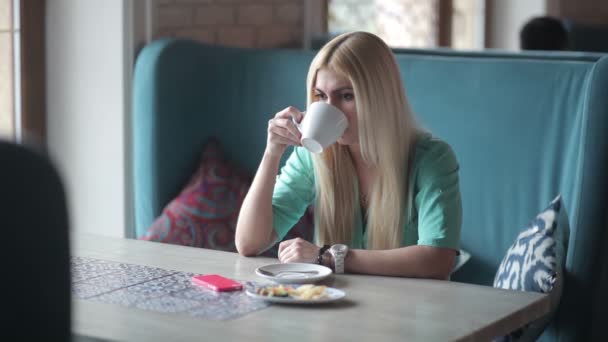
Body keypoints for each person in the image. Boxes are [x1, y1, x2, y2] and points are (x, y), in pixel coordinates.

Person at [235, 31, 462, 280]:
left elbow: (438, 260)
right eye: (320, 96)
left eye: (346, 96)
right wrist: (272, 152)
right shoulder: (315, 155)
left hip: (408, 310)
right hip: (335, 307)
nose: (329, 109)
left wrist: (329, 257)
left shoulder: (431, 158)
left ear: (380, 98)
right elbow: (249, 243)